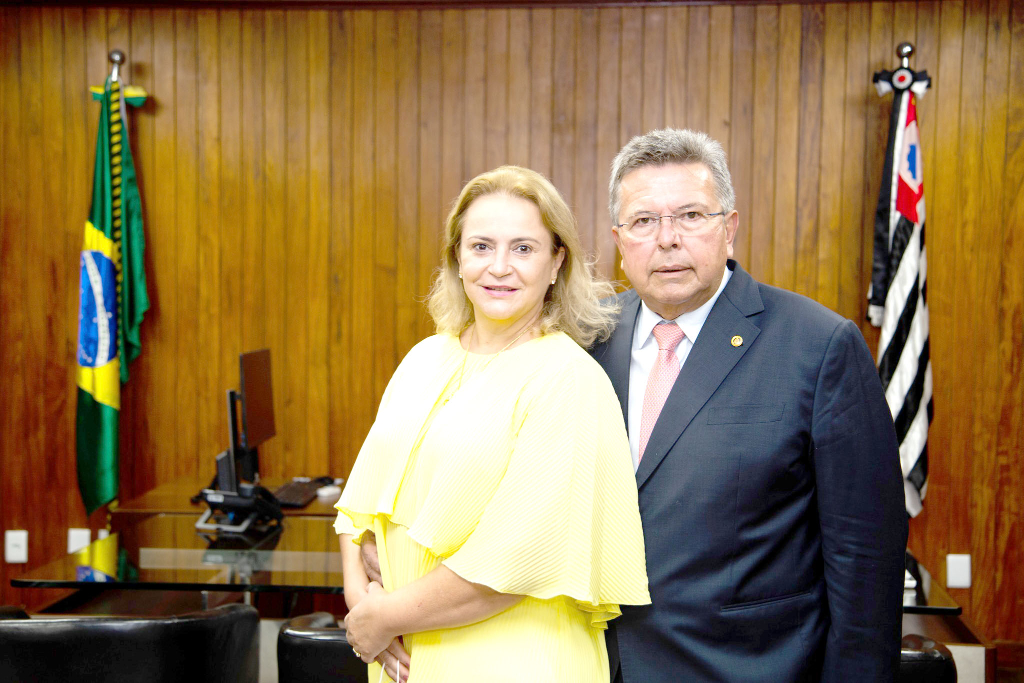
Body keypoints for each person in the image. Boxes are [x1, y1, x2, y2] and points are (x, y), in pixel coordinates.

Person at [590, 129, 909, 682]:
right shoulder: (584, 342)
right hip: (597, 664)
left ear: (729, 228)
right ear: (620, 239)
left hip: (748, 667)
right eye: (644, 221)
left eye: (691, 215)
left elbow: (865, 561)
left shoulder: (818, 345)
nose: (667, 239)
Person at [335, 165, 650, 683]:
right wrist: (361, 602)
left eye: (523, 248)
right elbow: (358, 505)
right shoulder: (425, 358)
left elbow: (516, 559)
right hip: (403, 654)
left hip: (516, 661)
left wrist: (382, 617)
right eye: (481, 246)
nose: (499, 266)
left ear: (556, 263)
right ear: (457, 258)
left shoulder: (568, 378)